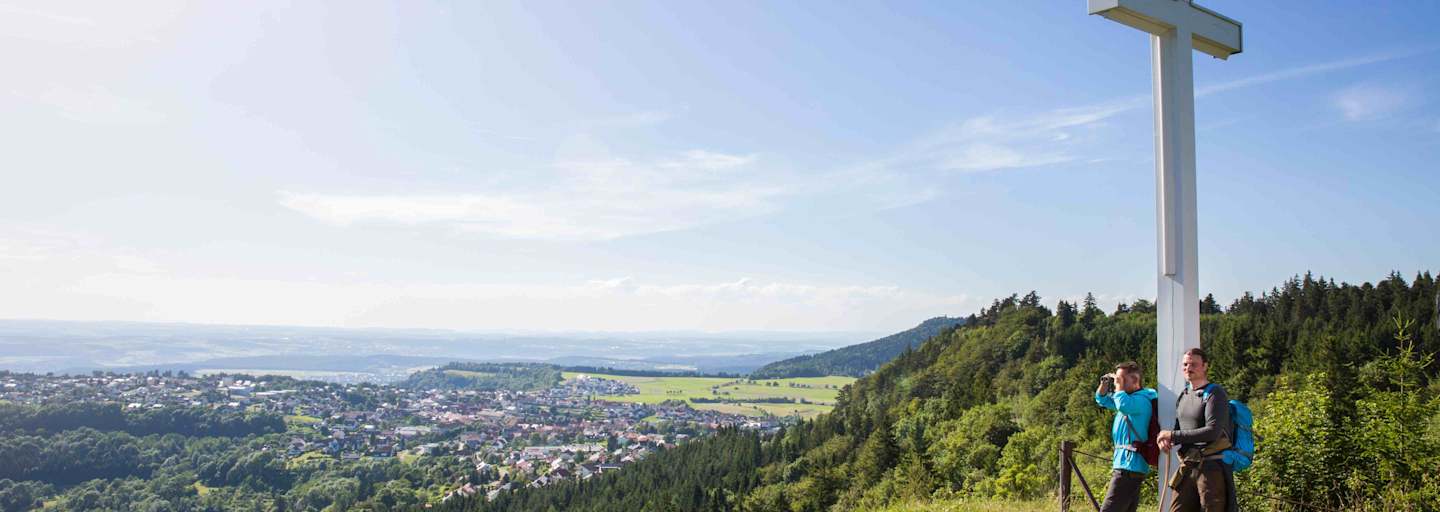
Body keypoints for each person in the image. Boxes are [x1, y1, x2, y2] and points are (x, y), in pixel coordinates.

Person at [1157, 347, 1235, 512]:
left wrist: (1172, 435)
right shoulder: (1184, 395)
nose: (1188, 368)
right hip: (1188, 465)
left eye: (1193, 364)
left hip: (1211, 468)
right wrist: (1167, 440)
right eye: (1185, 364)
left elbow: (1212, 431)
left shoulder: (1215, 394)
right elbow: (1178, 430)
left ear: (1205, 366)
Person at [1094, 361, 1157, 512]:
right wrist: (1104, 384)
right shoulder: (1129, 398)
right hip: (1127, 466)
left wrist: (1119, 387)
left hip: (1129, 466)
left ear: (1135, 380)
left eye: (1121, 379)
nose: (1117, 383)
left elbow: (1122, 405)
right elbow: (1102, 400)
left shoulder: (1141, 401)